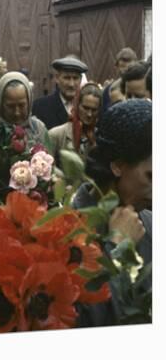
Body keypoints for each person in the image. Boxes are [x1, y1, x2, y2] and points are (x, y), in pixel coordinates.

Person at [72, 99, 152, 327]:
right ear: (117, 166)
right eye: (151, 176)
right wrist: (118, 249)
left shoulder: (151, 220)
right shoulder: (69, 229)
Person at [0, 71, 49, 146]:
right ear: (0, 103)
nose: (17, 112)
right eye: (10, 106)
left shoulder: (38, 129)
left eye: (22, 105)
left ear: (29, 101)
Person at [48, 82, 102, 166]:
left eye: (94, 110)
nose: (89, 114)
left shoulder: (99, 137)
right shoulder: (56, 135)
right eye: (85, 108)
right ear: (77, 105)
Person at [32, 56, 88, 130]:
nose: (71, 84)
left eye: (75, 78)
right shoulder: (40, 107)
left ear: (81, 80)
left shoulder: (88, 107)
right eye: (67, 78)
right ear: (57, 78)